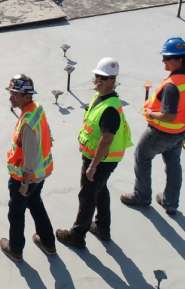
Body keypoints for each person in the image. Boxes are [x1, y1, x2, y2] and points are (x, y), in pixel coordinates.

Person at [121, 37, 185, 215]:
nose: (163, 61)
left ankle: (142, 196)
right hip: (181, 130)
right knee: (173, 164)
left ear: (179, 60)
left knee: (142, 157)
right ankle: (170, 202)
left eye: (167, 58)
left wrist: (150, 114)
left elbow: (168, 116)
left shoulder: (171, 86)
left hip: (161, 132)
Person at [56, 58, 134, 249]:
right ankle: (102, 227)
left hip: (101, 160)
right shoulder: (101, 98)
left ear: (113, 80)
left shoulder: (109, 108)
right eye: (97, 76)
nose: (98, 80)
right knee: (100, 190)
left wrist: (93, 165)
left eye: (104, 78)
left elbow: (106, 139)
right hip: (99, 158)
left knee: (87, 195)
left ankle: (77, 235)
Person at [0, 74, 57, 261]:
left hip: (26, 178)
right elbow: (46, 131)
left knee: (15, 212)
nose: (10, 98)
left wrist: (24, 182)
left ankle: (15, 249)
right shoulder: (36, 109)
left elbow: (30, 155)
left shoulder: (28, 122)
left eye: (14, 95)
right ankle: (48, 242)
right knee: (35, 203)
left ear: (27, 96)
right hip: (40, 174)